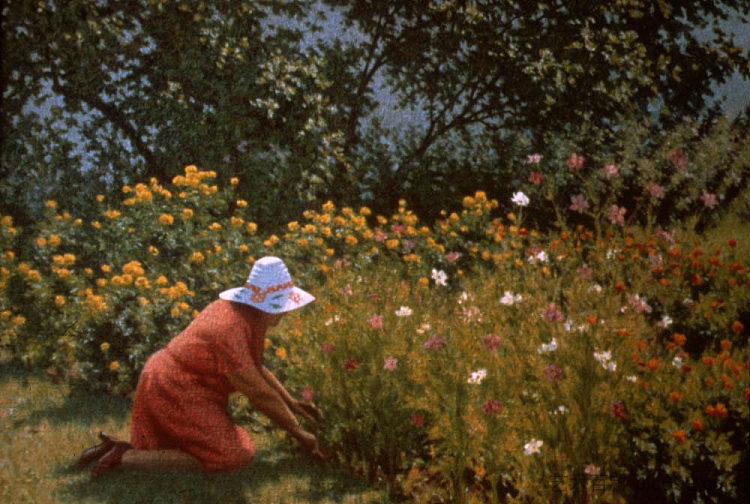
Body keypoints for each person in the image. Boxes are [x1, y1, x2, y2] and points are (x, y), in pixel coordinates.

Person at [74, 256, 323, 479]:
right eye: (282, 308)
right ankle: (125, 458)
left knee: (221, 447)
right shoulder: (229, 327)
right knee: (234, 455)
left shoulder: (244, 314)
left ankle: (118, 450)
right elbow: (257, 390)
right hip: (173, 388)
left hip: (175, 383)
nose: (286, 314)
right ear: (264, 304)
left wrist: (291, 403)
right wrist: (300, 434)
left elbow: (256, 368)